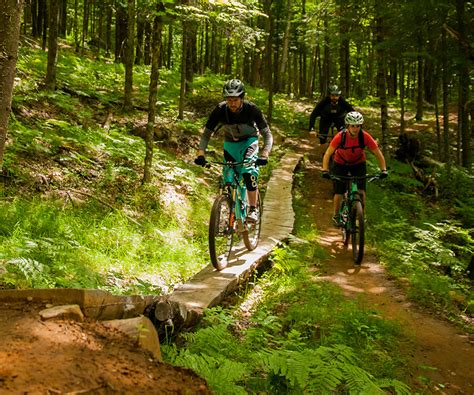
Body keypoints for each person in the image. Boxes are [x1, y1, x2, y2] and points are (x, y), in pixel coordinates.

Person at [194, 79, 273, 223]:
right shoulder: (220, 110)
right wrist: (201, 153)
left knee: (249, 173)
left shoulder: (252, 109)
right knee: (228, 179)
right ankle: (232, 210)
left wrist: (265, 153)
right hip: (230, 144)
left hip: (249, 142)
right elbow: (206, 134)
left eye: (235, 99)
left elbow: (267, 134)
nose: (232, 103)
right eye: (229, 99)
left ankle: (253, 209)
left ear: (242, 98)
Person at [321, 111, 388, 226]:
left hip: (358, 163)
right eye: (352, 126)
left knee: (361, 191)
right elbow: (327, 154)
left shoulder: (365, 137)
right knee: (339, 192)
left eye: (358, 126)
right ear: (348, 126)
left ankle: (361, 216)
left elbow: (378, 153)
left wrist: (383, 170)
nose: (355, 129)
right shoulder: (340, 136)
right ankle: (336, 215)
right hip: (340, 163)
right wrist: (325, 170)